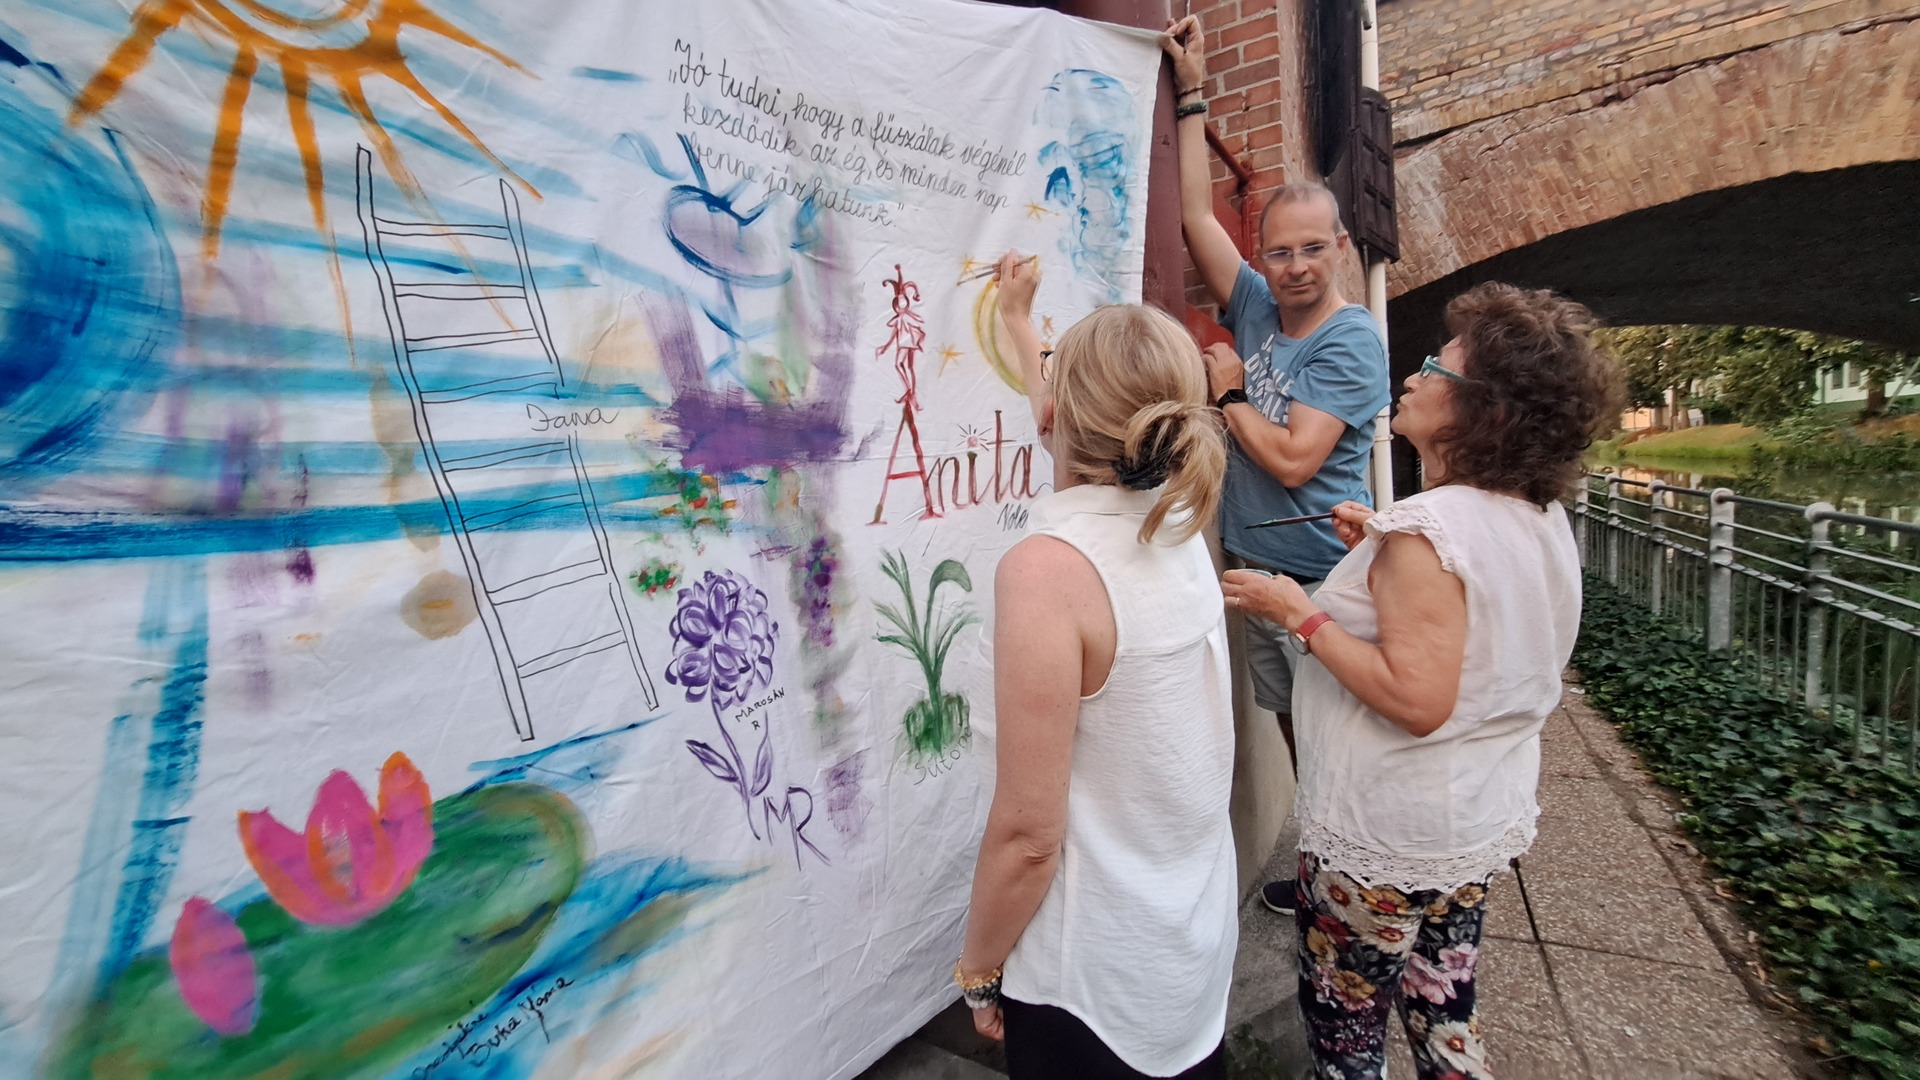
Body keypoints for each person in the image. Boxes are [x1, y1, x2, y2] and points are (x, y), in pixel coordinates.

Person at [1219, 283, 1622, 1079]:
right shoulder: (1534, 515)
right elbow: (1481, 626)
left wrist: (1297, 611)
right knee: (1444, 1014)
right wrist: (1380, 546)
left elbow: (1416, 699)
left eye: (1438, 367)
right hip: (1470, 822)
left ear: (1484, 412)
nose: (1413, 375)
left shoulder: (1428, 533)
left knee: (1346, 1043)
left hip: (1387, 835)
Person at [954, 251, 1238, 1080]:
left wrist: (978, 969)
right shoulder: (1174, 519)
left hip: (1092, 983)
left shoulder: (1049, 571)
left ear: (1056, 418)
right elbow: (1073, 418)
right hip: (1184, 953)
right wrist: (1019, 321)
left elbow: (1028, 838)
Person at [1160, 15, 1392, 916]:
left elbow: (1295, 459)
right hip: (1262, 573)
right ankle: (1325, 871)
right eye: (1280, 251)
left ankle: (1362, 883)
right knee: (1298, 732)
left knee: (1342, 741)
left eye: (1312, 249)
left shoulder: (1351, 340)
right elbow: (1193, 216)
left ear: (1341, 248)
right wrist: (1192, 94)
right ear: (1263, 255)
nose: (1295, 268)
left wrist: (1227, 395)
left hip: (1321, 578)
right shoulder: (1255, 303)